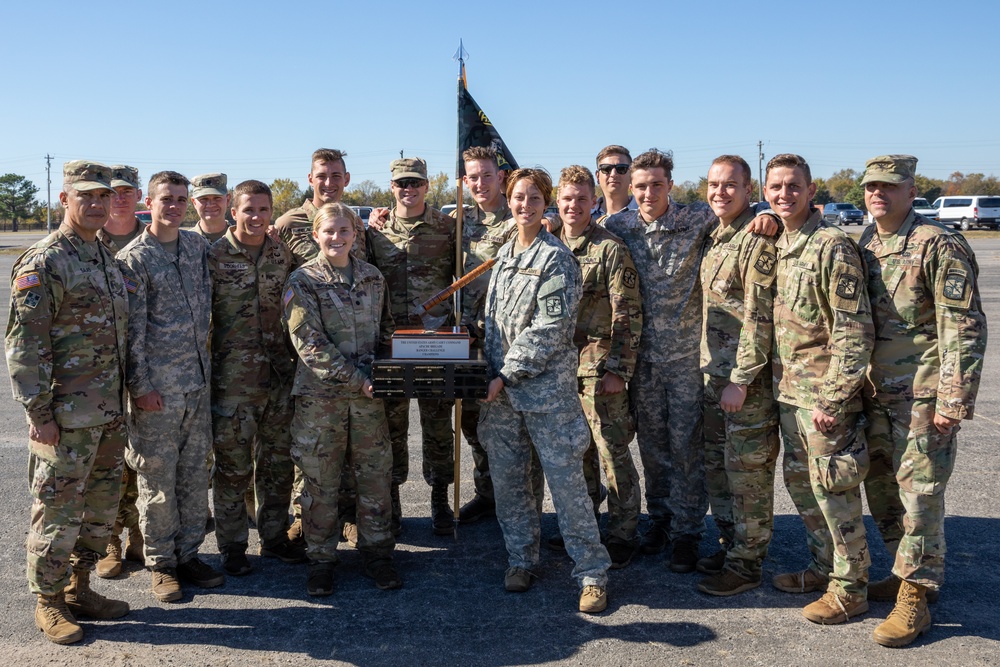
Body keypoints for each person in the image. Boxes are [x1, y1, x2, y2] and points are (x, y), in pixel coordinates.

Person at [605, 149, 777, 572]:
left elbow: (736, 208)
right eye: (640, 186)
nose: (648, 193)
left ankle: (687, 532)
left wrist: (767, 212)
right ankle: (659, 521)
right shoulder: (618, 225)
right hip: (642, 362)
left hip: (687, 362)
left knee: (687, 451)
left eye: (656, 185)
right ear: (631, 188)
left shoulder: (695, 219)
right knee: (652, 448)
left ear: (671, 186)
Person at [857, 155, 987, 647]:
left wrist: (953, 399)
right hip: (876, 393)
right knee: (884, 491)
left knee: (920, 495)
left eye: (890, 187)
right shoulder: (867, 241)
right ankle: (900, 570)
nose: (879, 194)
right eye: (872, 186)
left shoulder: (939, 244)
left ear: (913, 191)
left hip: (923, 395)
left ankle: (917, 594)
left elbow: (964, 325)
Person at [6, 160, 131, 644]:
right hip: (64, 417)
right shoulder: (46, 261)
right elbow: (25, 345)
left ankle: (80, 589)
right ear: (64, 200)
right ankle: (49, 601)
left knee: (99, 509)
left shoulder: (102, 256)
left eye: (104, 197)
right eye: (86, 197)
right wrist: (39, 415)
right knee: (57, 511)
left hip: (107, 413)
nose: (97, 205)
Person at [480, 167, 611, 614]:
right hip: (501, 400)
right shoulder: (504, 255)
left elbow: (550, 329)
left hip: (545, 397)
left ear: (546, 202)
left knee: (567, 488)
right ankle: (521, 559)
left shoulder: (555, 258)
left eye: (533, 198)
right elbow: (494, 324)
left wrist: (506, 374)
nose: (524, 205)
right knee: (512, 484)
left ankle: (591, 572)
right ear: (509, 199)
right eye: (517, 197)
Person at [765, 153, 873, 624]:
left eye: (793, 186)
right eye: (776, 188)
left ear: (811, 192)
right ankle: (824, 568)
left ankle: (852, 588)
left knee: (836, 492)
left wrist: (835, 398)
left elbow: (854, 330)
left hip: (824, 400)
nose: (784, 195)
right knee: (805, 490)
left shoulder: (831, 246)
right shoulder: (784, 242)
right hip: (790, 394)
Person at [284, 202, 401, 596]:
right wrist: (357, 379)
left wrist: (391, 374)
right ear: (315, 234)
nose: (337, 238)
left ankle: (378, 553)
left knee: (374, 479)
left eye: (344, 231)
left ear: (356, 233)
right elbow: (309, 344)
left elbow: (387, 332)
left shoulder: (372, 277)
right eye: (329, 231)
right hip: (322, 401)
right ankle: (320, 558)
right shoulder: (302, 281)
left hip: (369, 400)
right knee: (321, 483)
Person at [118, 171, 224, 602]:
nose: (175, 205)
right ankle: (161, 564)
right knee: (157, 482)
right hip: (157, 391)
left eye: (182, 199)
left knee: (195, 476)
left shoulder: (196, 246)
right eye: (168, 198)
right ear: (150, 200)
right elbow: (132, 332)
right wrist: (141, 387)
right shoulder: (134, 258)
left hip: (196, 385)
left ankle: (188, 554)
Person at [207, 180, 307, 576]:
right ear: (234, 210)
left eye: (264, 210)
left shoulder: (282, 254)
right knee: (232, 467)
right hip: (232, 381)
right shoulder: (213, 256)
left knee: (277, 465)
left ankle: (274, 536)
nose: (256, 217)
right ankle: (232, 545)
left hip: (279, 376)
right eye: (249, 210)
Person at [696, 155, 781, 597]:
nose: (720, 192)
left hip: (742, 384)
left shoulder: (756, 240)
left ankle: (747, 565)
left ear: (750, 190)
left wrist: (743, 379)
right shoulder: (716, 236)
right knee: (720, 472)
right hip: (713, 376)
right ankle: (732, 547)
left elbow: (759, 317)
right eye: (713, 184)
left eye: (730, 185)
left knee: (747, 476)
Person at [553, 165, 643, 568]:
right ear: (559, 201)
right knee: (577, 453)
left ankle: (623, 532)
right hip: (558, 369)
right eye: (567, 198)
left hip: (597, 367)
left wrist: (618, 372)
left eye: (582, 199)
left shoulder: (609, 248)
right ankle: (586, 526)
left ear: (594, 202)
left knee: (611, 451)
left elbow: (627, 313)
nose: (574, 206)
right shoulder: (549, 243)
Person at [365, 157, 457, 536]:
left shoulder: (448, 227)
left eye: (416, 182)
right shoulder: (377, 231)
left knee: (437, 423)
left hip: (435, 342)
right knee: (393, 426)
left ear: (427, 185)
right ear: (392, 186)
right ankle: (394, 497)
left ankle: (439, 497)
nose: (409, 188)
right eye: (402, 182)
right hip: (391, 341)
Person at [95, 163, 144, 579]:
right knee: (111, 462)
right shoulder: (91, 245)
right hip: (102, 374)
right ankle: (111, 538)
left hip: (148, 368)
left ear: (139, 195)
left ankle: (141, 536)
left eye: (128, 190)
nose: (121, 197)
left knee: (144, 457)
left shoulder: (154, 242)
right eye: (113, 192)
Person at [275, 148, 366, 269]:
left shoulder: (355, 222)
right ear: (310, 179)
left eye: (336, 176)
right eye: (321, 176)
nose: (328, 183)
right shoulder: (288, 224)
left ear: (347, 179)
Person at [592, 145, 637, 223]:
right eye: (606, 169)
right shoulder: (583, 215)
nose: (613, 174)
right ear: (597, 176)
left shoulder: (645, 212)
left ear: (631, 174)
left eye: (621, 168)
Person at [191, 173, 230, 243]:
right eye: (203, 199)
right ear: (194, 203)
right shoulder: (184, 242)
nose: (210, 204)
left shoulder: (243, 239)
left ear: (228, 200)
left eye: (217, 198)